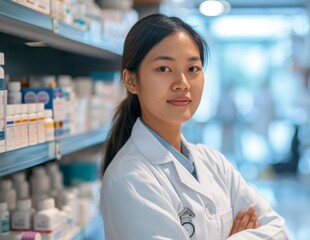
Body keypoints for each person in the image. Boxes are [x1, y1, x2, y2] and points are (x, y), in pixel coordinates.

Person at [100, 13, 290, 240]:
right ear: (131, 81)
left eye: (192, 69)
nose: (182, 83)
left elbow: (279, 230)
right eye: (164, 69)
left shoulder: (214, 163)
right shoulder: (129, 179)